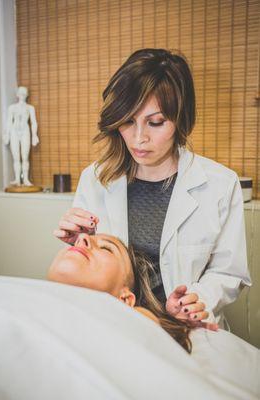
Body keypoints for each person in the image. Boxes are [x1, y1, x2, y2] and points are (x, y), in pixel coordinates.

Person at [54, 48, 251, 327]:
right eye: (128, 120)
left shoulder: (219, 184)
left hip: (187, 332)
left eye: (155, 122)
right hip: (116, 328)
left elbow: (230, 273)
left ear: (180, 119)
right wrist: (78, 244)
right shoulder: (96, 178)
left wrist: (197, 299)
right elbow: (90, 274)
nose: (138, 138)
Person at [48, 232, 218, 353]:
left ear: (124, 300)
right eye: (75, 242)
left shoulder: (129, 318)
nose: (82, 238)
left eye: (106, 248)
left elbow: (147, 328)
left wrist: (176, 323)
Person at [3, 86, 39, 186]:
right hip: (14, 131)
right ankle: (17, 179)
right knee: (16, 157)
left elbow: (34, 122)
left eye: (24, 93)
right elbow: (9, 122)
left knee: (25, 156)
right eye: (20, 93)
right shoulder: (12, 108)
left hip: (25, 131)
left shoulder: (30, 108)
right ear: (17, 94)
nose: (22, 95)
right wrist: (7, 134)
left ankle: (26, 179)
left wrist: (34, 135)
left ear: (27, 95)